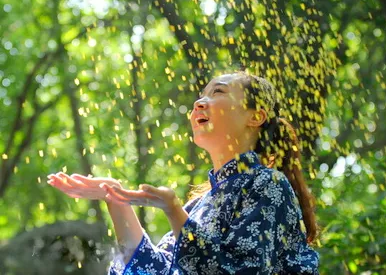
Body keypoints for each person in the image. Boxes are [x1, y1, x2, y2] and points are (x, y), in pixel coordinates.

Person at [47, 72, 320, 274]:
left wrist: (173, 209)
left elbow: (240, 270)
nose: (200, 102)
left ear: (255, 117)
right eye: (201, 95)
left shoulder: (267, 184)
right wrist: (116, 199)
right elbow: (154, 270)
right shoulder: (200, 203)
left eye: (219, 92)